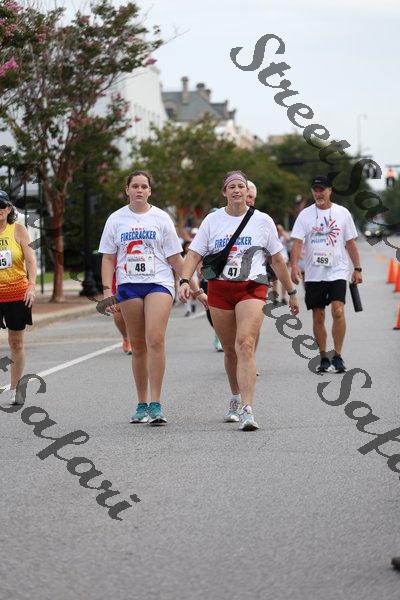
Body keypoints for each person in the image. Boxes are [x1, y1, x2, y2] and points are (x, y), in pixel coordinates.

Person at [179, 171, 299, 431]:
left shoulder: (262, 221)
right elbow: (194, 254)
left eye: (241, 186)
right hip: (220, 288)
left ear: (247, 192)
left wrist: (290, 291)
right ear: (224, 192)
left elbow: (277, 259)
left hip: (252, 287)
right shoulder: (212, 221)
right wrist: (185, 280)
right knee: (230, 349)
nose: (236, 190)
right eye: (231, 186)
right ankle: (234, 398)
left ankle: (247, 408)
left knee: (245, 343)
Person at [99, 171, 207, 426]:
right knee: (138, 346)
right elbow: (108, 258)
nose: (139, 190)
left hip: (158, 283)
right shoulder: (116, 219)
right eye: (135, 186)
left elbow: (176, 258)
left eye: (144, 186)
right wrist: (106, 291)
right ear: (127, 189)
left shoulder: (161, 218)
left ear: (149, 191)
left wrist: (194, 287)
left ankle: (156, 403)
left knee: (155, 339)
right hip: (128, 285)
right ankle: (142, 404)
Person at [290, 175, 363, 373]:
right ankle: (323, 356)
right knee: (318, 316)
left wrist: (357, 268)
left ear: (330, 191)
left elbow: (350, 242)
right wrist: (294, 266)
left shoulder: (342, 213)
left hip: (337, 270)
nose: (318, 193)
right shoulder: (305, 215)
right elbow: (297, 242)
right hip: (314, 274)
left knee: (338, 311)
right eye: (315, 190)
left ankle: (337, 355)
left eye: (322, 189)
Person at [0, 190, 36, 406]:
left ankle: (15, 388)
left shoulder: (19, 230)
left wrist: (31, 286)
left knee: (16, 342)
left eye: (2, 205)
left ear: (8, 209)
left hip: (16, 293)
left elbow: (30, 261)